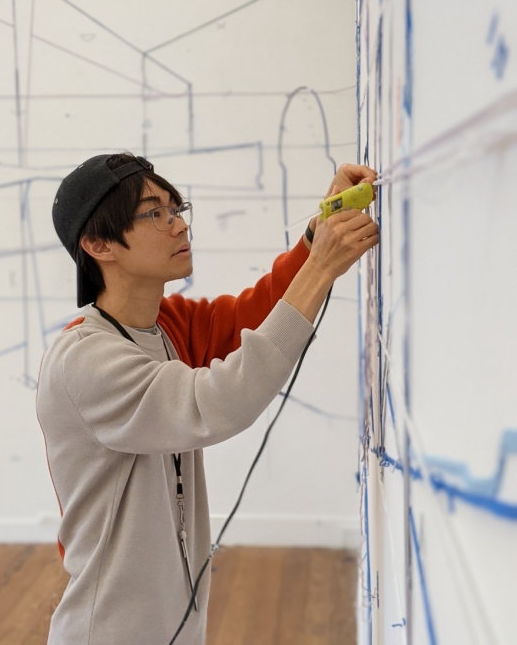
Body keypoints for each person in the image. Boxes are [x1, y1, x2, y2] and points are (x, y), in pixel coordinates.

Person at [36, 152, 379, 644]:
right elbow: (220, 401)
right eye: (155, 213)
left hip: (176, 626)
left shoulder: (166, 326)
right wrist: (320, 268)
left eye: (178, 209)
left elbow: (255, 314)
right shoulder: (85, 360)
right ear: (97, 244)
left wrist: (318, 230)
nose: (178, 226)